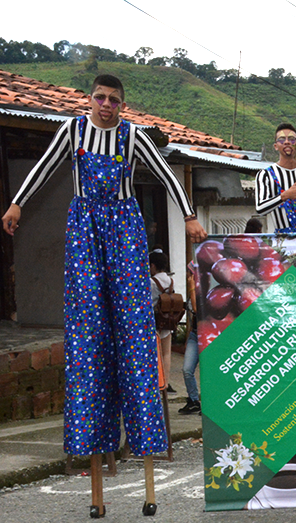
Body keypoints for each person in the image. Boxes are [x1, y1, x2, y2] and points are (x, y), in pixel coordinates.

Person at [1, 74, 207, 459]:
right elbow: (43, 168)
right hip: (85, 226)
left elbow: (166, 176)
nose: (106, 104)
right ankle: (92, 436)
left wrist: (189, 216)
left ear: (122, 105)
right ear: (89, 100)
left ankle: (143, 435)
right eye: (100, 97)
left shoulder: (133, 136)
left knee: (132, 325)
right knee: (89, 326)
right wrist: (17, 203)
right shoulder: (72, 131)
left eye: (114, 99)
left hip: (125, 227)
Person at [149, 250, 175, 393]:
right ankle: (166, 382)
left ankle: (156, 381)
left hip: (154, 321)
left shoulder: (151, 282)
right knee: (167, 353)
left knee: (155, 354)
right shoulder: (171, 280)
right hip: (168, 320)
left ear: (153, 265)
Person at [179, 261, 201, 415]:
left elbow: (197, 309)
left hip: (208, 336)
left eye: (189, 273)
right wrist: (187, 338)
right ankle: (193, 400)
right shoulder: (191, 291)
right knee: (187, 369)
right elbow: (192, 317)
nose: (187, 276)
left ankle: (211, 404)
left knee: (209, 373)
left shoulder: (204, 290)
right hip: (195, 334)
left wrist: (192, 287)